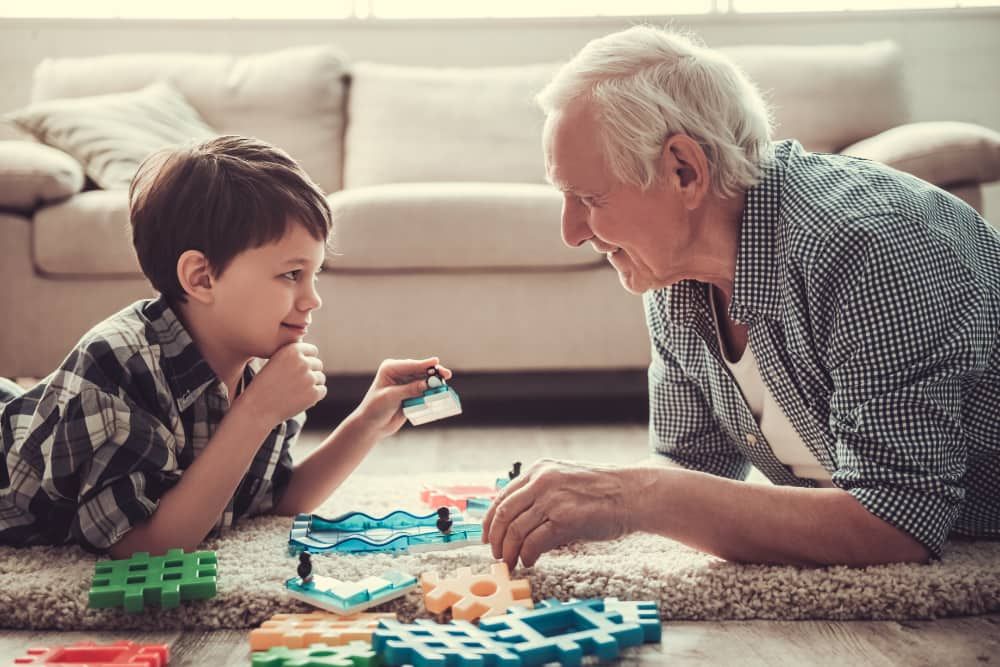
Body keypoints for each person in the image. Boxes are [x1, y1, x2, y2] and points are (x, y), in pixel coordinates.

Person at [483, 25, 1000, 569]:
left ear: (684, 171)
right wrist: (587, 498)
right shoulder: (672, 274)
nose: (571, 232)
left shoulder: (867, 247)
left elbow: (898, 524)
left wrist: (632, 494)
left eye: (589, 197)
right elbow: (691, 466)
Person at [0, 135, 450, 558]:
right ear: (202, 278)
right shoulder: (119, 363)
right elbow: (142, 546)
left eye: (315, 274)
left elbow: (276, 499)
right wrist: (254, 414)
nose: (313, 299)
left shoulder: (258, 366)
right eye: (292, 274)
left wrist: (367, 421)